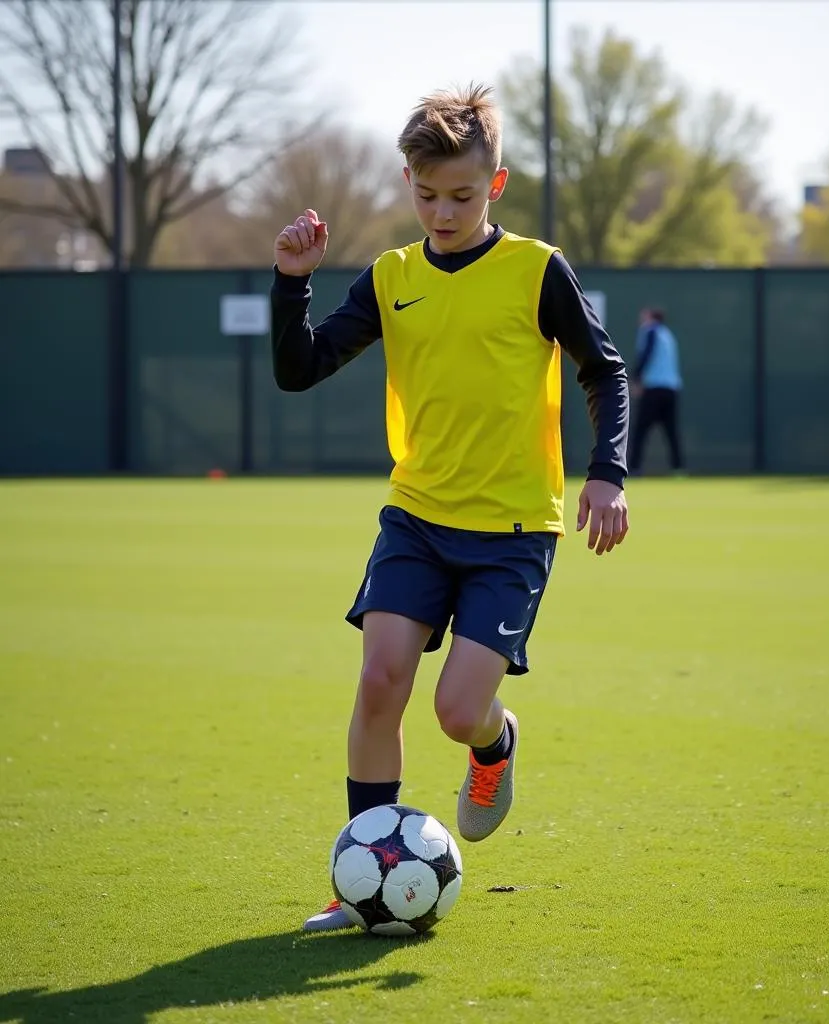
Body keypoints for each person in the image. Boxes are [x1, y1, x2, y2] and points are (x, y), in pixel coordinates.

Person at [269, 83, 631, 932]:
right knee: (380, 680)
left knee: (456, 711)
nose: (442, 211)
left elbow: (603, 368)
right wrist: (293, 284)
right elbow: (300, 369)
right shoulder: (391, 277)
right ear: (407, 180)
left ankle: (495, 745)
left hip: (511, 531)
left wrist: (607, 473)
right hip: (417, 518)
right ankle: (361, 878)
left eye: (462, 196)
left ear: (494, 185)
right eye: (426, 194)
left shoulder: (537, 271)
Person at [628, 307, 685, 475]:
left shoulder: (650, 331)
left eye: (644, 316)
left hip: (654, 388)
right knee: (671, 430)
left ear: (651, 318)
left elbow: (646, 354)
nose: (641, 319)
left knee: (640, 429)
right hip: (671, 389)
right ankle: (678, 468)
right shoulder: (668, 335)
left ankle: (634, 468)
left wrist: (636, 378)